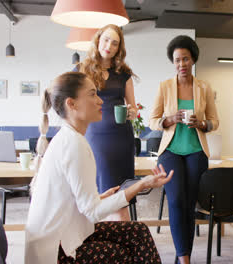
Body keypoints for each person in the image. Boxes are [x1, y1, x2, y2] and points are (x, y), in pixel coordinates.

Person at [25, 72, 173, 264]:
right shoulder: (73, 144)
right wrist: (140, 185)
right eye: (93, 94)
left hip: (64, 233)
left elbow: (77, 200)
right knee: (122, 253)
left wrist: (102, 197)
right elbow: (93, 212)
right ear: (72, 104)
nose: (100, 101)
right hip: (57, 249)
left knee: (138, 232)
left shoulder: (71, 138)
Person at [149, 35, 219, 264]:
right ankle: (184, 258)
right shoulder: (165, 86)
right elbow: (153, 120)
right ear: (173, 62)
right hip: (171, 151)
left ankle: (183, 256)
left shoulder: (204, 88)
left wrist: (201, 124)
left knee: (189, 204)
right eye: (177, 60)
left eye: (186, 59)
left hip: (196, 151)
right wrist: (169, 119)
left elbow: (214, 121)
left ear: (193, 59)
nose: (182, 64)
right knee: (176, 199)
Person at [77, 24, 137, 221]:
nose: (109, 46)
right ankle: (120, 238)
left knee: (120, 194)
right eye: (106, 40)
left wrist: (131, 112)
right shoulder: (82, 70)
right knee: (104, 193)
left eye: (115, 43)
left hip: (121, 138)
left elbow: (134, 108)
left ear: (119, 48)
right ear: (98, 40)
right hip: (94, 137)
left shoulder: (124, 73)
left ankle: (121, 240)